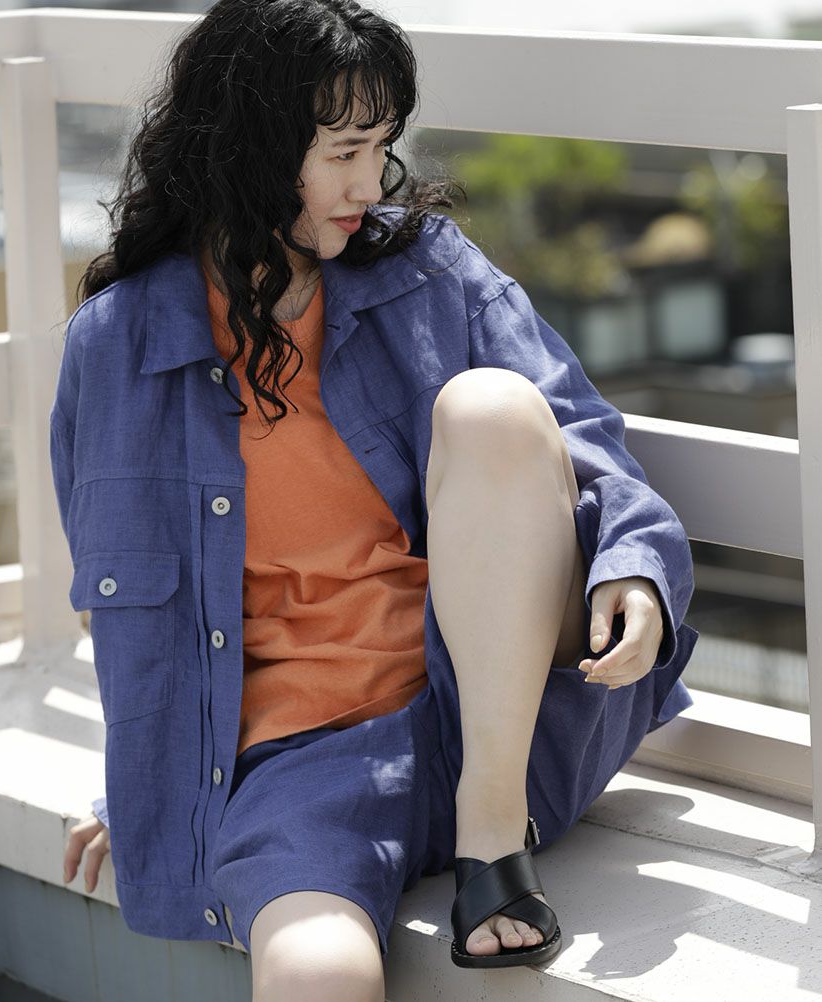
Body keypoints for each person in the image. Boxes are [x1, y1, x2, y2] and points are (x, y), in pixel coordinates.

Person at [51, 0, 700, 995]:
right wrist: (148, 788)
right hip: (306, 767)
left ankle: (492, 842)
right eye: (343, 152)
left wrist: (635, 570)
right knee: (315, 976)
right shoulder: (119, 347)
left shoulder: (429, 272)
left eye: (380, 146)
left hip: (503, 715)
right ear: (251, 150)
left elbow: (581, 440)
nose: (369, 182)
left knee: (492, 408)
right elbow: (127, 609)